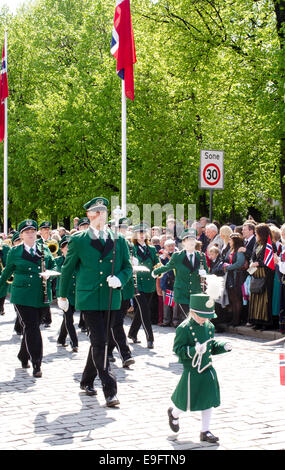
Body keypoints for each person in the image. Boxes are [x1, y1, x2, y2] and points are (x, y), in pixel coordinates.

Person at [58, 197, 132, 406]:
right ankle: (110, 389)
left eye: (103, 211)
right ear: (90, 215)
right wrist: (62, 296)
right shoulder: (79, 239)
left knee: (98, 342)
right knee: (101, 342)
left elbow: (127, 266)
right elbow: (68, 268)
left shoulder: (118, 239)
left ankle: (86, 379)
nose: (101, 215)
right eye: (96, 211)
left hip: (110, 298)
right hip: (89, 297)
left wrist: (120, 279)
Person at [167, 291, 232, 443]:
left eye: (208, 316)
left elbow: (211, 346)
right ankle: (174, 414)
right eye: (203, 315)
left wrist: (223, 346)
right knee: (185, 402)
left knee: (208, 400)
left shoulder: (209, 326)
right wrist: (193, 350)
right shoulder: (183, 328)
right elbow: (178, 350)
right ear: (193, 312)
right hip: (192, 371)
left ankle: (205, 431)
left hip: (207, 369)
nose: (206, 319)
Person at [0, 219, 57, 377]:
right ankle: (37, 363)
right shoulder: (15, 252)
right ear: (22, 235)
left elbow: (54, 266)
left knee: (32, 327)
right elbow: (6, 273)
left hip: (42, 295)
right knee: (32, 327)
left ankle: (23, 355)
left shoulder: (44, 249)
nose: (30, 234)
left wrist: (50, 275)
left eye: (33, 231)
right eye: (27, 232)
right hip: (22, 296)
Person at [152, 229, 208, 326]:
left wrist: (204, 273)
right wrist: (156, 272)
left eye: (193, 240)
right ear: (183, 243)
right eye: (188, 240)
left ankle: (191, 337)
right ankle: (187, 337)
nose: (191, 243)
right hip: (182, 292)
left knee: (194, 317)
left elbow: (206, 271)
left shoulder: (201, 256)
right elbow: (168, 267)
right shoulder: (178, 256)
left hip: (195, 291)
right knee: (187, 317)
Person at [107, 217, 135, 368]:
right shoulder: (108, 244)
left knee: (115, 323)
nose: (122, 229)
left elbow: (128, 268)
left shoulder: (128, 243)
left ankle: (110, 350)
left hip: (125, 289)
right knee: (116, 323)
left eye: (124, 227)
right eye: (119, 227)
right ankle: (125, 354)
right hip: (111, 290)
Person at [128, 223, 160, 348]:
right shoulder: (132, 248)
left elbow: (157, 263)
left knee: (141, 310)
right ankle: (150, 338)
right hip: (137, 282)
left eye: (143, 233)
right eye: (139, 233)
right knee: (145, 310)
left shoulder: (151, 248)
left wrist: (158, 269)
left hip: (150, 283)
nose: (141, 235)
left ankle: (132, 333)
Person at [248, 223, 276, 330]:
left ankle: (266, 322)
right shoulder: (257, 244)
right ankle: (257, 321)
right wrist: (252, 262)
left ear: (262, 233)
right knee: (255, 298)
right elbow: (252, 257)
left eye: (257, 233)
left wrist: (258, 263)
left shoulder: (270, 245)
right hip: (256, 274)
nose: (255, 235)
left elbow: (269, 261)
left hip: (266, 275)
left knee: (264, 299)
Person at [55, 235, 78, 352]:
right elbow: (54, 271)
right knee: (69, 318)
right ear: (61, 249)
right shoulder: (58, 261)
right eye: (65, 247)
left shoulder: (78, 260)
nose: (68, 249)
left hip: (76, 293)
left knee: (67, 318)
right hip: (64, 294)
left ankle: (61, 339)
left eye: (70, 247)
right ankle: (74, 342)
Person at [223, 233, 247, 326]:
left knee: (237, 298)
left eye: (230, 240)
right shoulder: (230, 249)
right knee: (232, 298)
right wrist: (225, 265)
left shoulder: (239, 251)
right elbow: (225, 259)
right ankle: (233, 319)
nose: (229, 242)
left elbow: (239, 263)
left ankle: (237, 320)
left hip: (237, 277)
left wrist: (228, 267)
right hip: (230, 277)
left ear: (235, 241)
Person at [0, 236, 11, 315]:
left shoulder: (5, 247)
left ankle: (1, 307)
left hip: (3, 272)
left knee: (3, 289)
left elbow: (8, 262)